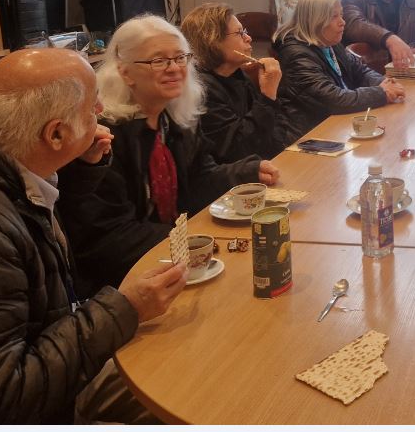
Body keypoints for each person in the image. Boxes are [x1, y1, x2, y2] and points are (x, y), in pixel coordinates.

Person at [0, 49, 187, 424]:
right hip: (47, 406)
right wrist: (126, 307)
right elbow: (1, 398)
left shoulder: (13, 167)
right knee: (190, 389)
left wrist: (82, 167)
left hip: (65, 351)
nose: (102, 110)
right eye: (92, 107)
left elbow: (43, 234)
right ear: (56, 133)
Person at [58, 15, 279, 296]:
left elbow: (199, 179)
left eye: (180, 58)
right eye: (158, 60)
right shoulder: (103, 137)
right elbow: (108, 237)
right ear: (125, 72)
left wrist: (245, 172)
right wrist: (193, 239)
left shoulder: (174, 118)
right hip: (127, 281)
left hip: (177, 258)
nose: (174, 68)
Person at [273, 0, 406, 141]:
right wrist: (381, 93)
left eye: (341, 15)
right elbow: (332, 99)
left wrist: (384, 83)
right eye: (333, 16)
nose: (342, 22)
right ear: (315, 21)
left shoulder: (329, 42)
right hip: (310, 136)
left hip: (337, 124)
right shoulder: (296, 55)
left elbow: (360, 71)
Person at [181, 2, 286, 161]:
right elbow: (238, 149)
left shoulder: (237, 75)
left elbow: (272, 131)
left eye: (245, 32)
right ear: (212, 40)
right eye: (239, 33)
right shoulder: (202, 89)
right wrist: (268, 96)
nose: (248, 38)